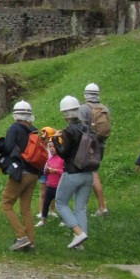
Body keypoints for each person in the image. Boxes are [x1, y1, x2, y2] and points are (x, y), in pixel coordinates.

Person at [53, 95, 94, 249]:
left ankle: (77, 232)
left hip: (72, 172)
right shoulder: (87, 127)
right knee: (80, 208)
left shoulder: (69, 130)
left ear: (64, 113)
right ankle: (80, 244)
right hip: (88, 173)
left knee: (61, 203)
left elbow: (63, 153)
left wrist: (55, 140)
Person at [2, 100, 42, 252]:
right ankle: (31, 241)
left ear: (15, 114)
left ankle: (21, 237)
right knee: (25, 208)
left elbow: (8, 147)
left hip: (20, 172)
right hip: (34, 173)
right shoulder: (34, 130)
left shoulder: (14, 128)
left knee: (7, 203)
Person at [83, 82, 111, 216]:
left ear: (85, 94)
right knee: (91, 173)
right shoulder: (105, 108)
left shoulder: (84, 109)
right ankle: (98, 206)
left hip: (88, 146)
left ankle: (102, 206)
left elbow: (81, 130)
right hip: (101, 145)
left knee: (92, 174)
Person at [37, 129, 63, 227]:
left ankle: (64, 219)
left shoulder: (61, 159)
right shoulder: (50, 159)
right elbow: (46, 173)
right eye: (50, 147)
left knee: (60, 204)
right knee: (46, 203)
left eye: (54, 147)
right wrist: (46, 171)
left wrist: (56, 171)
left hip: (59, 186)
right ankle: (43, 220)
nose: (52, 149)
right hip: (50, 185)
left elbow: (63, 172)